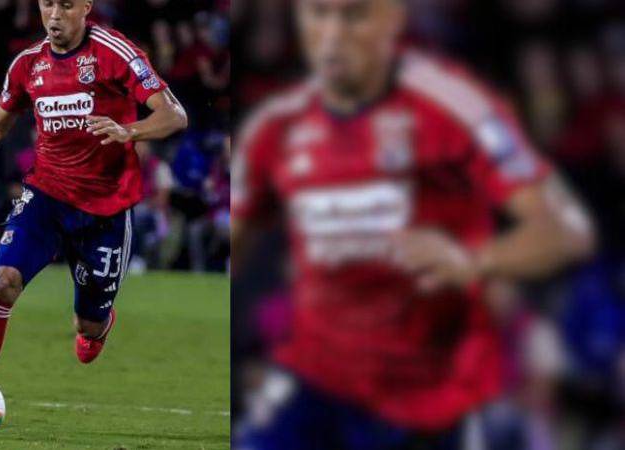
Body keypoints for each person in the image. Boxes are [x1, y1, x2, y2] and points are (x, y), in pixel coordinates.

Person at [230, 0, 596, 447]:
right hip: (316, 378)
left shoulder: (453, 105)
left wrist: (475, 260)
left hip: (427, 394)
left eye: (354, 15)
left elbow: (568, 229)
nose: (332, 34)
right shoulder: (275, 126)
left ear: (393, 18)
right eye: (318, 14)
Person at [0, 0, 187, 378]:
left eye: (67, 5)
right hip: (47, 196)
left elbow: (174, 114)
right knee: (2, 281)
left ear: (87, 7)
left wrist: (130, 130)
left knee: (86, 327)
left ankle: (99, 324)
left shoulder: (115, 52)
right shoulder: (27, 64)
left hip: (105, 208)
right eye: (47, 4)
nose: (55, 15)